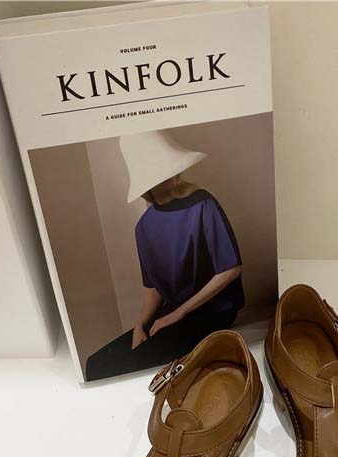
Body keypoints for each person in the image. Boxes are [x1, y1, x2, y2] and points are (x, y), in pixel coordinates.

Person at [85, 131, 244, 381]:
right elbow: (155, 290)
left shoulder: (203, 203)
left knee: (136, 363)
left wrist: (178, 313)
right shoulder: (143, 227)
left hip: (213, 311)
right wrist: (140, 325)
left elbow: (230, 269)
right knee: (96, 364)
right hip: (172, 314)